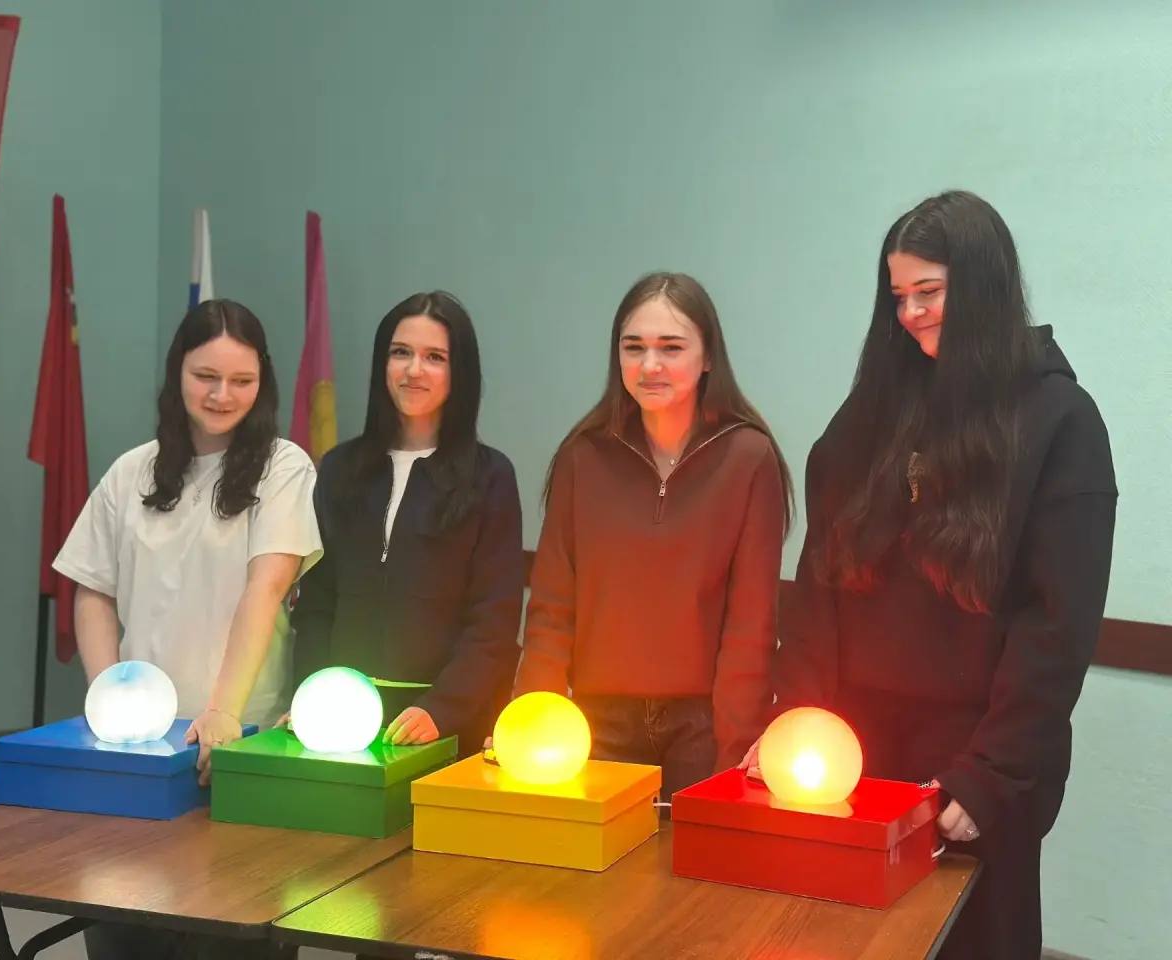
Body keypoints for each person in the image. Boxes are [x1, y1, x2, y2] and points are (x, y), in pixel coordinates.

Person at [756, 191, 1116, 959]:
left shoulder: (1058, 420)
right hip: (852, 758)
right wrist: (798, 720)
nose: (911, 314)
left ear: (983, 288)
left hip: (970, 767)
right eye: (898, 297)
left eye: (930, 292)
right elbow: (819, 585)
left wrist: (991, 774)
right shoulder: (871, 414)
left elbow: (1056, 630)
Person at [55, 298, 321, 960]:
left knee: (232, 930)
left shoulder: (284, 466)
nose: (222, 395)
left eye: (241, 380)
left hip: (239, 739)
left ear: (263, 381)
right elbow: (92, 589)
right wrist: (109, 698)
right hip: (139, 749)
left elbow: (266, 588)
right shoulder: (132, 471)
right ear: (178, 371)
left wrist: (224, 711)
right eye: (206, 376)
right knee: (125, 921)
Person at [512, 272, 792, 799]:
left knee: (692, 854)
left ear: (708, 357)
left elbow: (751, 625)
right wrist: (529, 724)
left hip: (703, 725)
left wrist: (737, 749)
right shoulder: (582, 455)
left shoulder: (748, 457)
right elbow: (551, 606)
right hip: (595, 723)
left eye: (671, 347)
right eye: (634, 347)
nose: (650, 365)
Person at [290, 291, 523, 756]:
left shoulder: (490, 476)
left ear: (460, 372)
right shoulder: (339, 468)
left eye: (435, 357)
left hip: (447, 727)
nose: (414, 370)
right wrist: (307, 697)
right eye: (401, 353)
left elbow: (493, 623)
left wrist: (441, 709)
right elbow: (315, 605)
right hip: (339, 721)